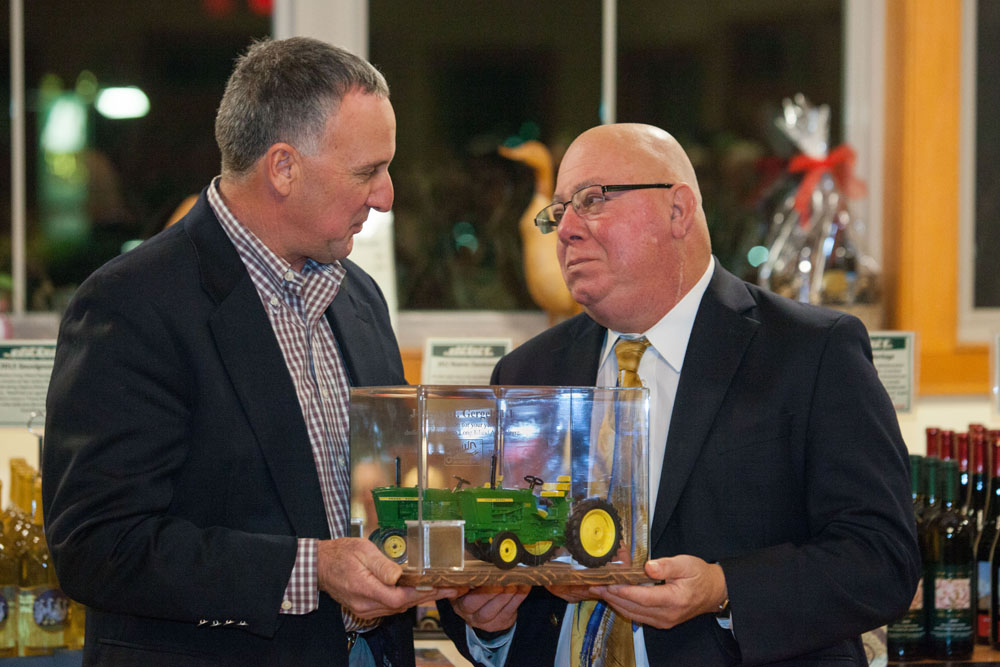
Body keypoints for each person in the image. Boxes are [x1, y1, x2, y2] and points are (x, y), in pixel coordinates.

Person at [42, 37, 459, 667]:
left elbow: (388, 495)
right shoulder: (132, 305)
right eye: (367, 171)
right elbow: (97, 546)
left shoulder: (360, 296)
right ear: (283, 168)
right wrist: (310, 568)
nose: (387, 196)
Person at [436, 122, 920, 665]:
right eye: (559, 211)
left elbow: (882, 558)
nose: (566, 227)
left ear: (679, 210)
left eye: (593, 200)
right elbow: (484, 563)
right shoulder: (526, 372)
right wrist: (486, 621)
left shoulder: (811, 353)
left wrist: (722, 588)